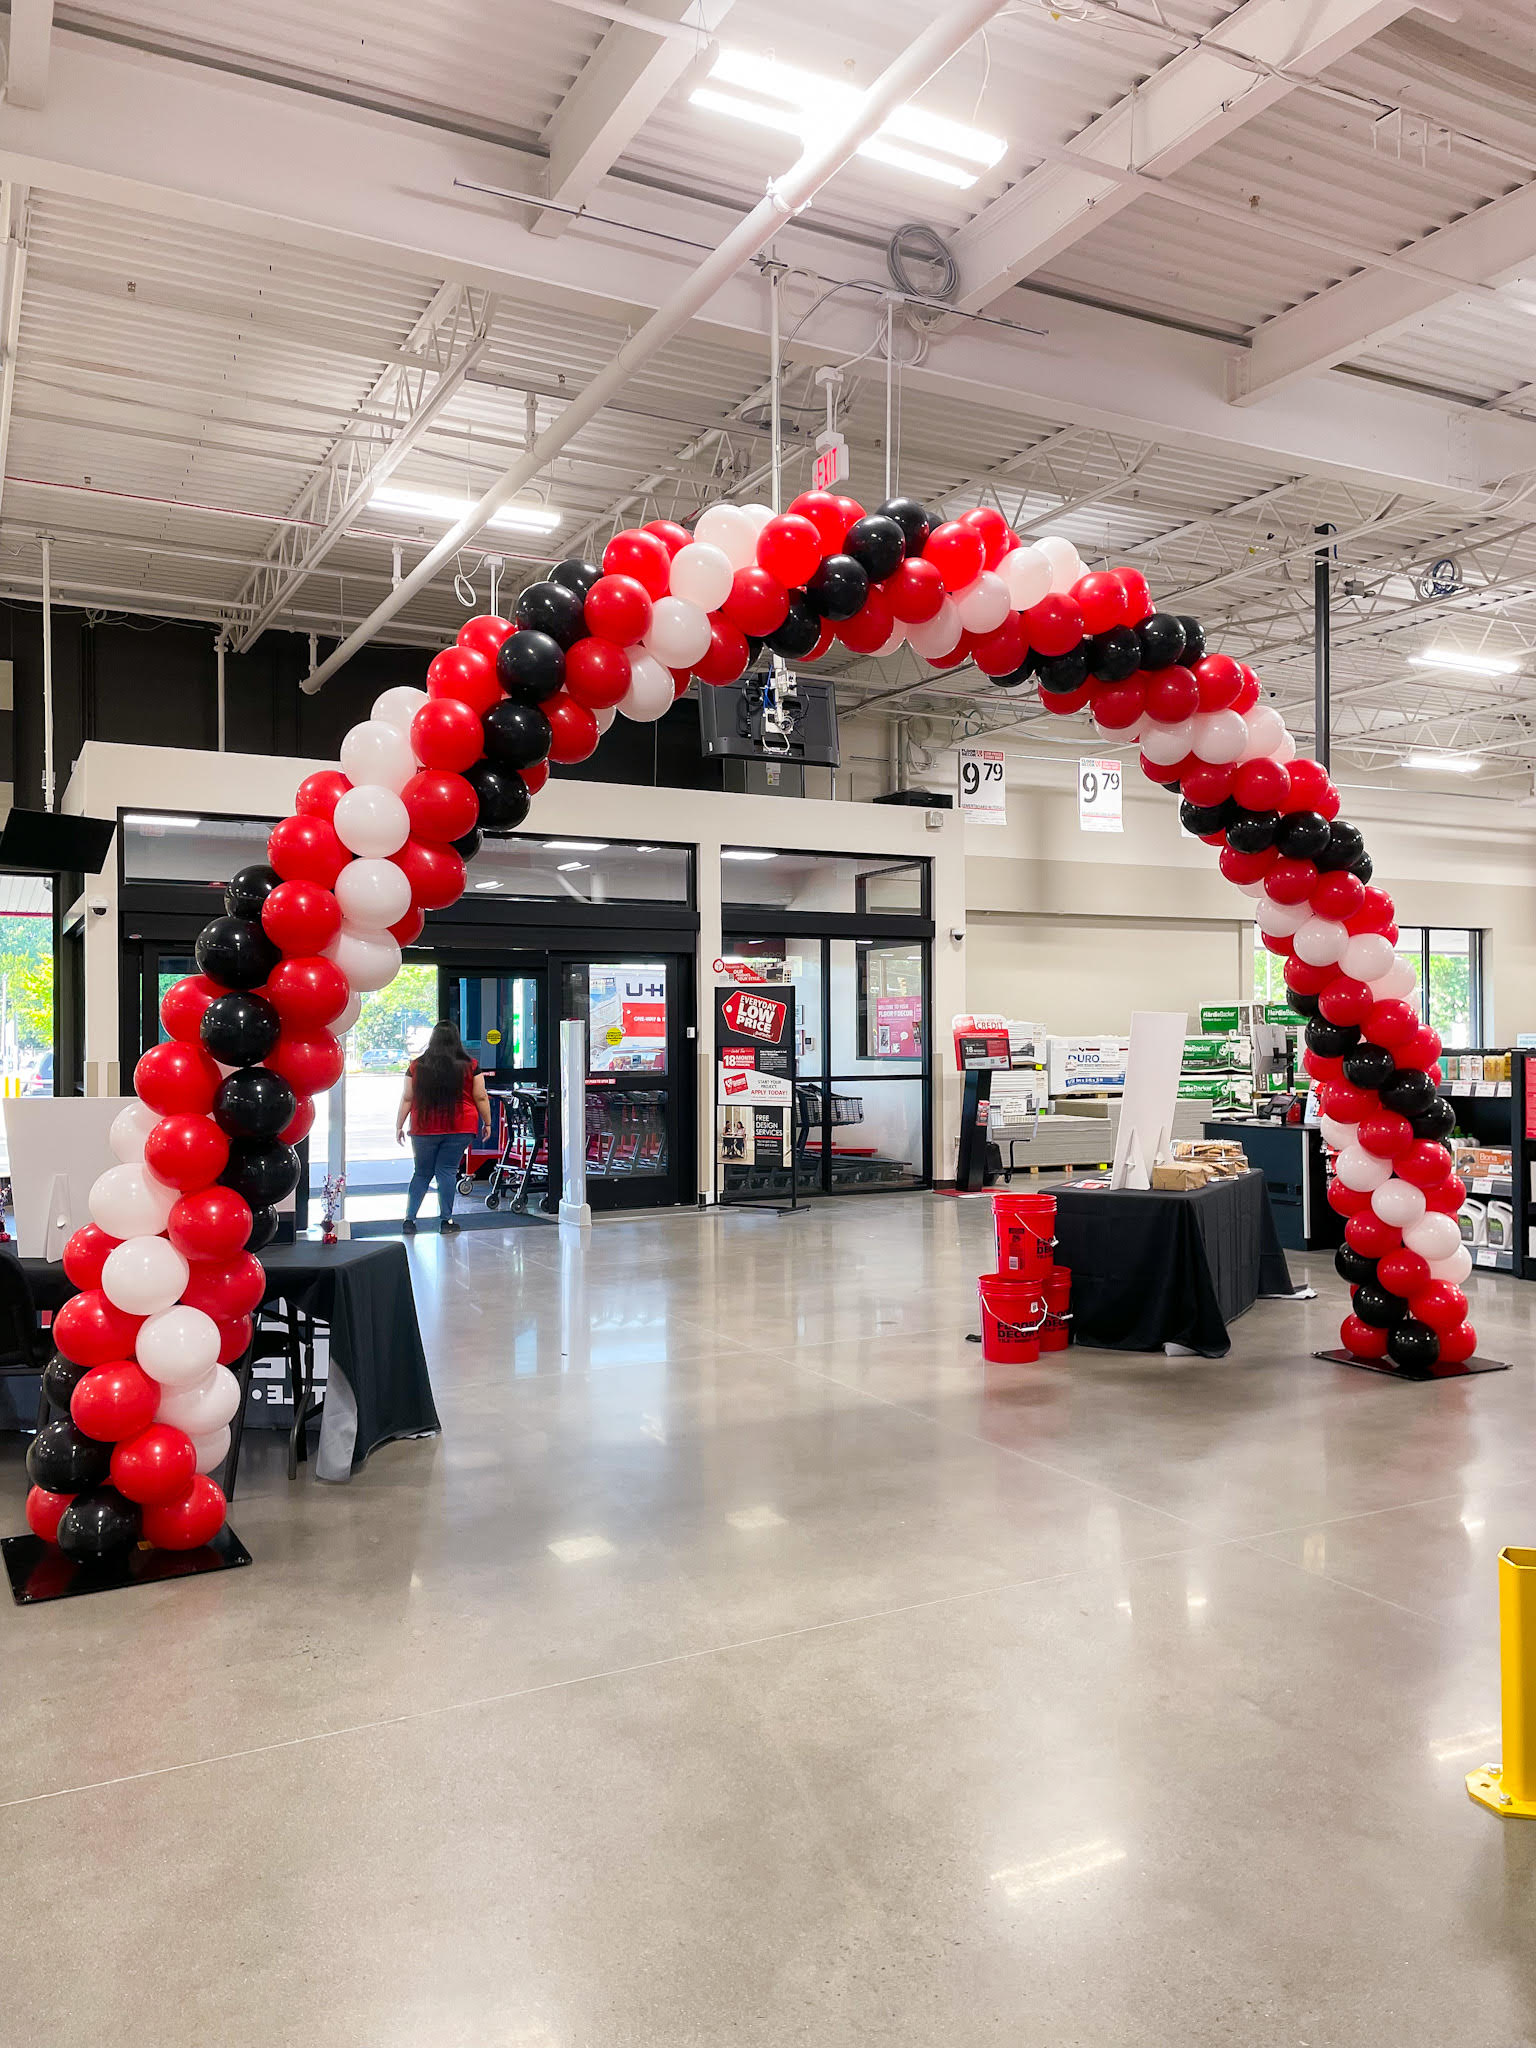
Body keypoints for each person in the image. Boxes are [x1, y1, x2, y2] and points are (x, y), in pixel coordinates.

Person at [396, 1020, 491, 1234]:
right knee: (447, 1171)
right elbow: (480, 1096)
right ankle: (446, 1222)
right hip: (460, 1125)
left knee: (421, 1173)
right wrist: (488, 1122)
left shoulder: (416, 1065)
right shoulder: (471, 1065)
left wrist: (399, 1125)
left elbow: (407, 1098)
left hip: (424, 1126)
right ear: (456, 1039)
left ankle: (409, 1221)